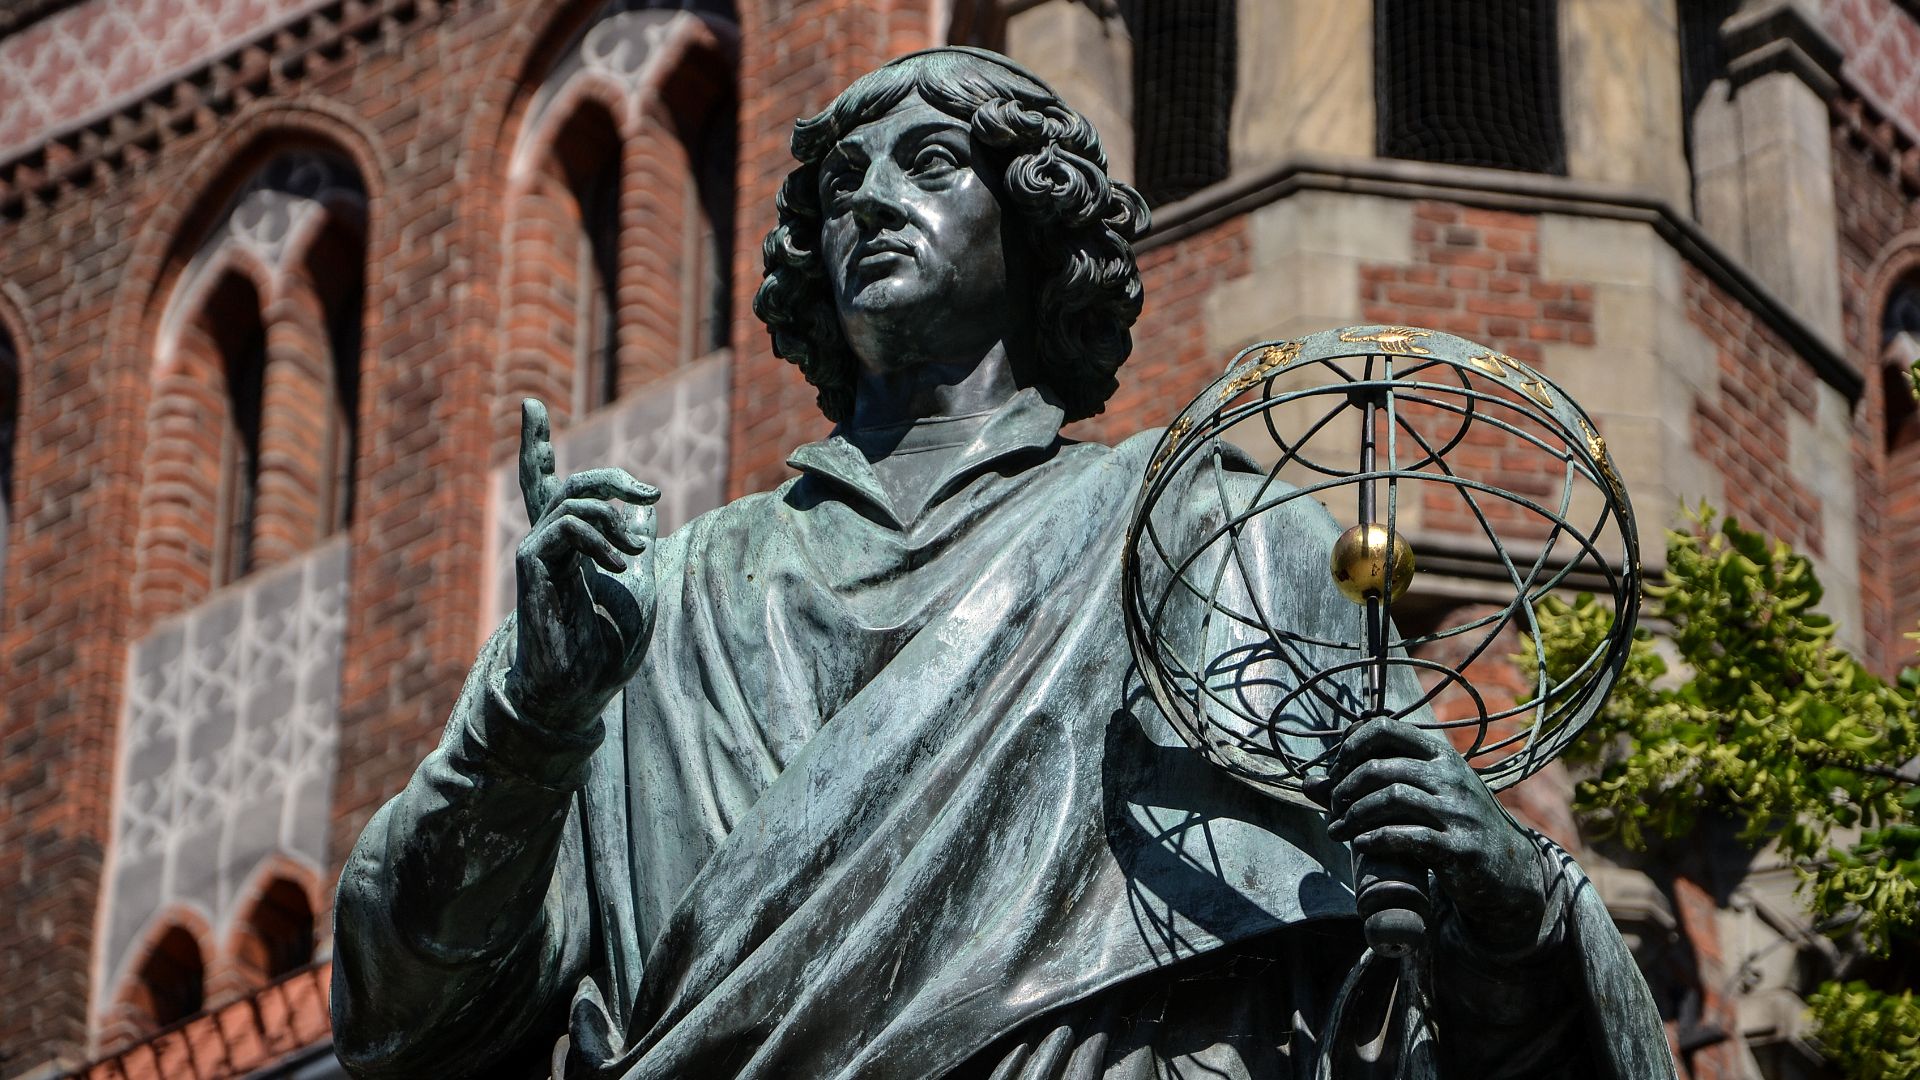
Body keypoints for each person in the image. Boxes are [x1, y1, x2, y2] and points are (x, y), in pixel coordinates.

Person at [331, 48, 1675, 1079]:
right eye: (841, 185)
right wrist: (530, 725)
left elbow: (1396, 1006)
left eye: (930, 162)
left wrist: (1511, 908)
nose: (871, 200)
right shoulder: (652, 607)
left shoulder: (1211, 541)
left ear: (1035, 225)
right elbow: (403, 1021)